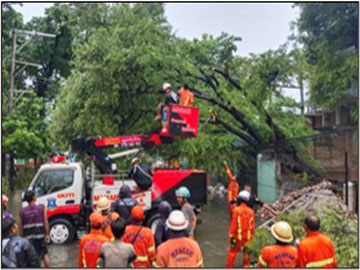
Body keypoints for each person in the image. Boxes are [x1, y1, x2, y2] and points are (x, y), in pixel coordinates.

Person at [19, 189, 50, 267]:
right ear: (33, 197)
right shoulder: (42, 207)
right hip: (40, 237)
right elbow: (45, 222)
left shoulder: (21, 211)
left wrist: (21, 238)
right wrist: (47, 235)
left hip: (28, 239)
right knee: (44, 254)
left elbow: (21, 226)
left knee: (32, 259)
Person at [226, 190, 255, 268]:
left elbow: (234, 225)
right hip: (248, 238)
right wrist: (252, 238)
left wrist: (231, 236)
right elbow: (252, 227)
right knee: (247, 255)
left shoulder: (236, 211)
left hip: (237, 237)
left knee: (232, 253)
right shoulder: (251, 212)